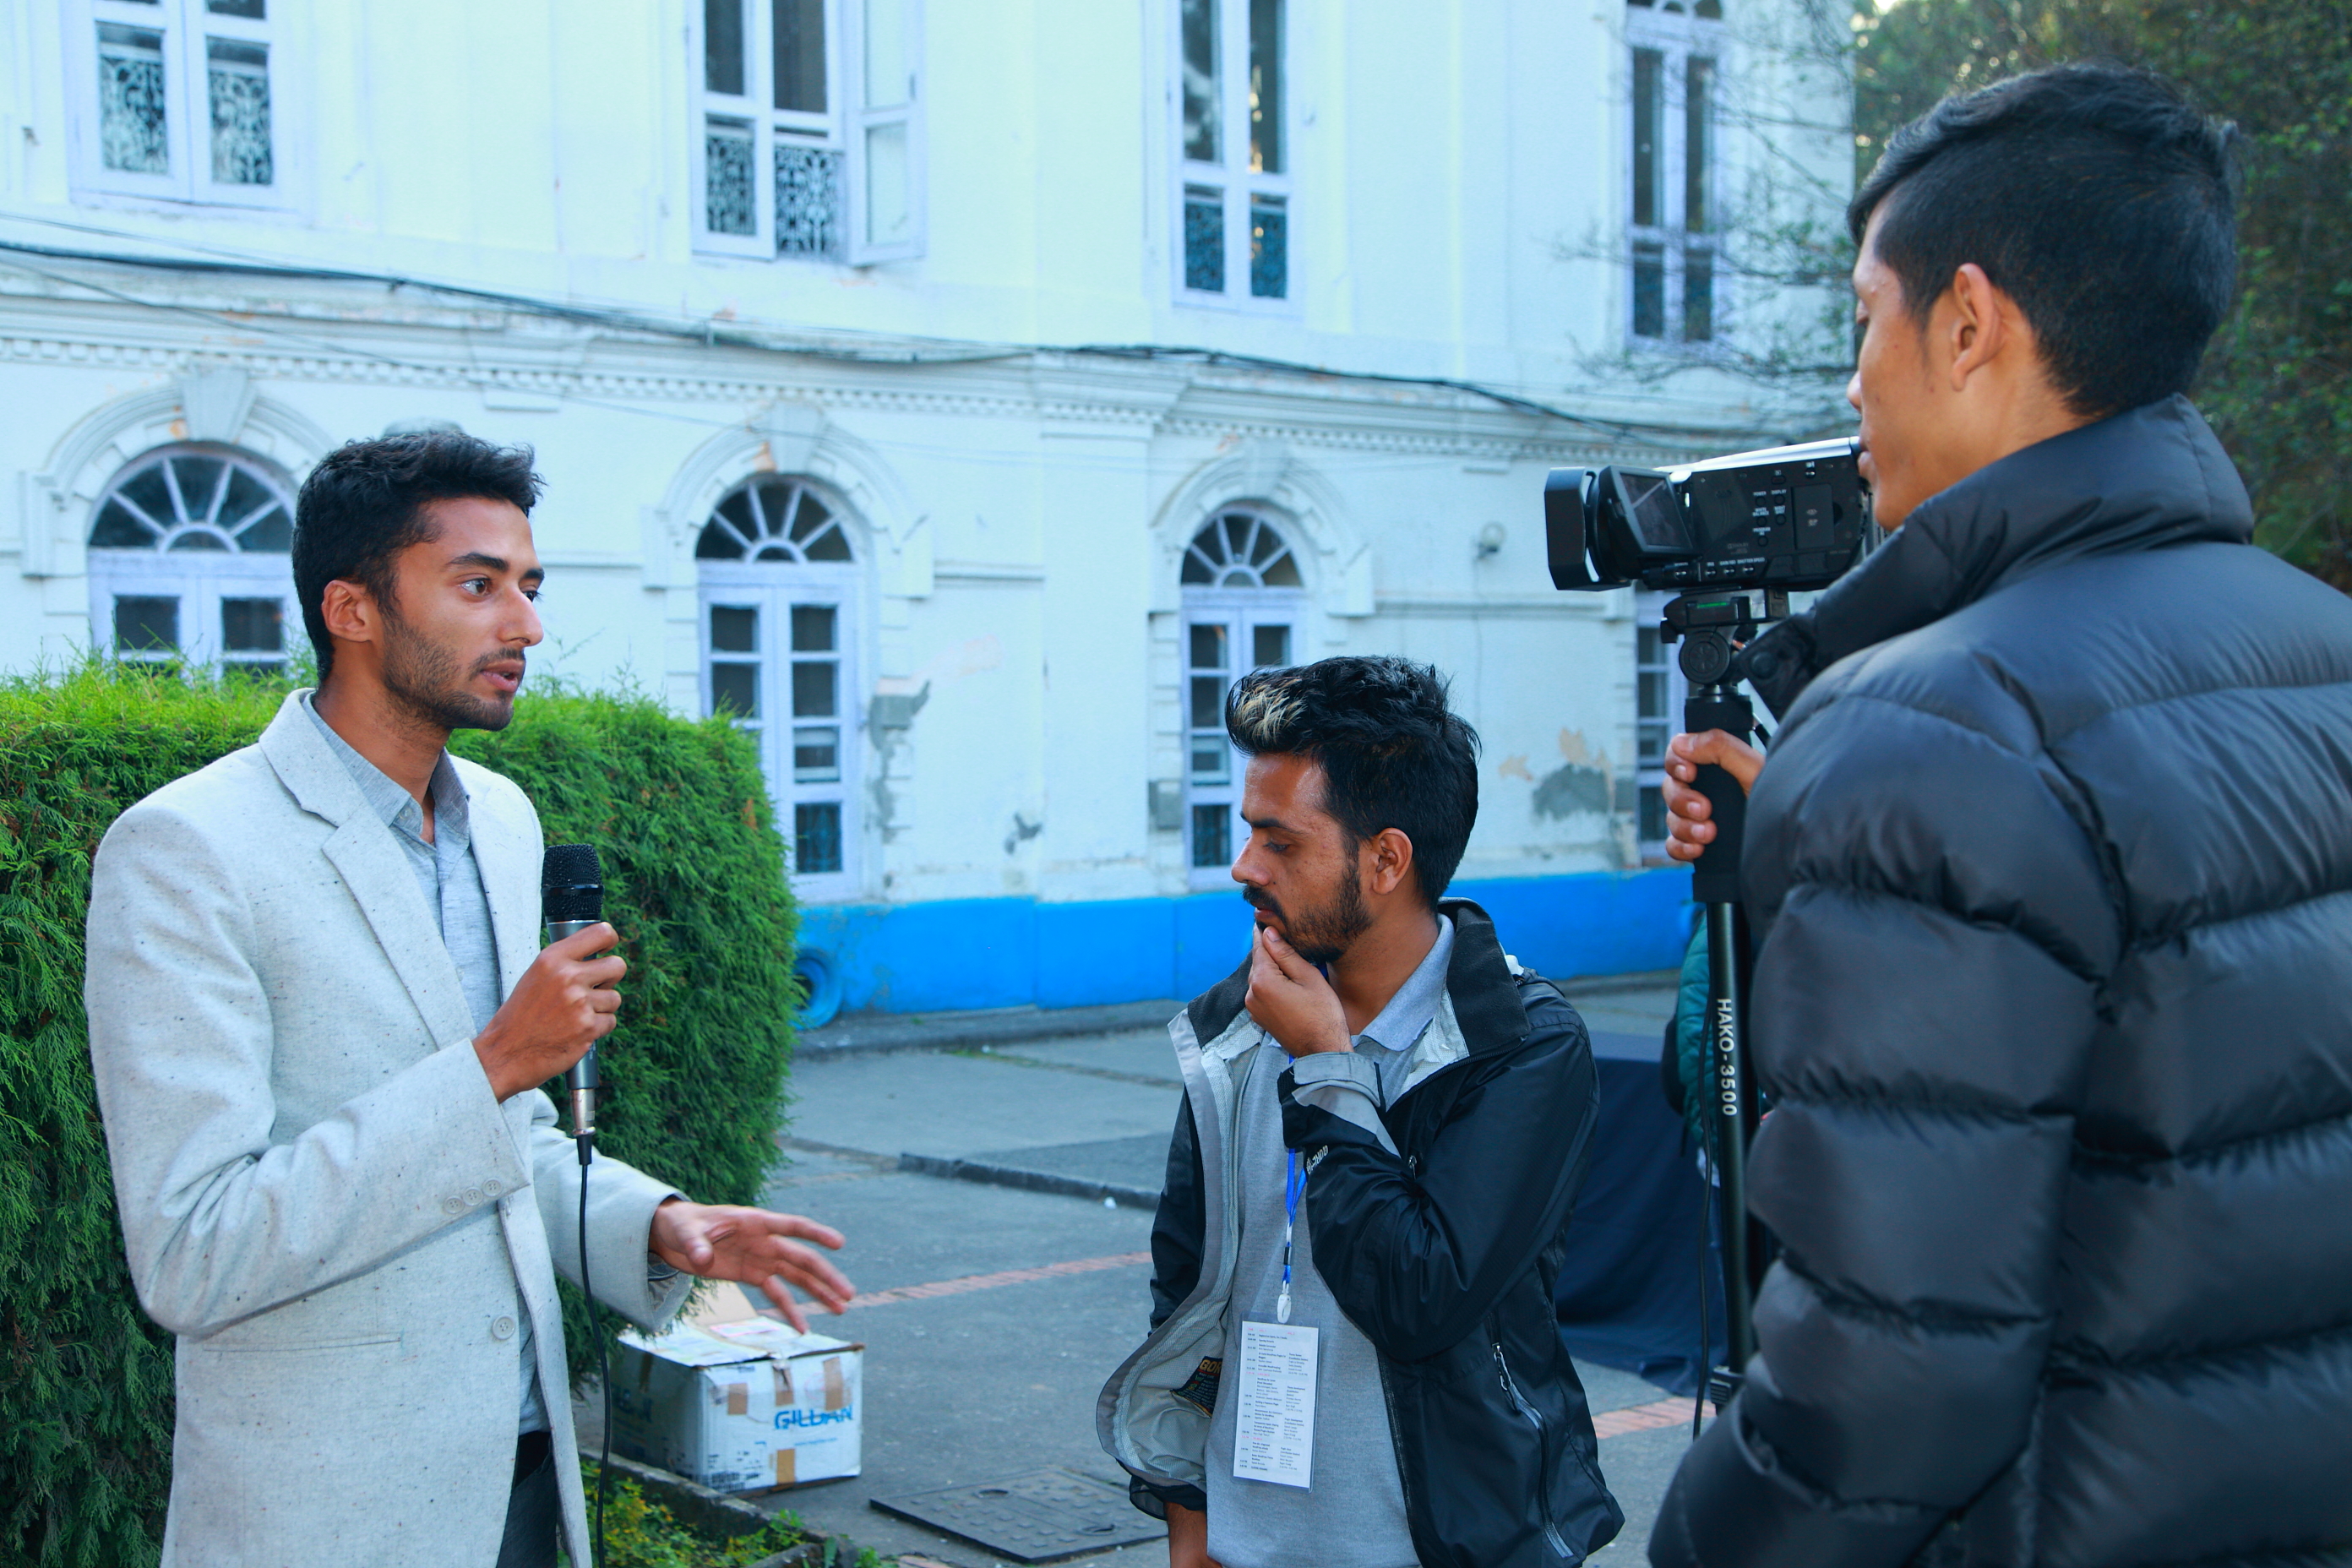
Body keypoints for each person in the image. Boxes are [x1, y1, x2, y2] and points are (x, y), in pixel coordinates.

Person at [1647, 63, 2352, 1565]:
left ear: (1966, 323)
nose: (1852, 385)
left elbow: (1886, 1383)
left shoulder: (1929, 731)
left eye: (1863, 317)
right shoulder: (2323, 645)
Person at [84, 432, 857, 1568]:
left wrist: (651, 1223)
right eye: (479, 585)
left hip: (527, 1478)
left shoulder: (500, 819)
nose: (526, 625)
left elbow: (503, 1142)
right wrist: (495, 1060)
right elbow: (196, 1251)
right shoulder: (187, 848)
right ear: (352, 608)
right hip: (329, 1512)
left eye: (530, 585)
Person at [1097, 656, 1624, 1568]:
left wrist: (1326, 1067)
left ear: (1386, 859)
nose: (1244, 866)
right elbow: (1188, 1287)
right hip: (1245, 1541)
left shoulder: (1519, 1045)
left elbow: (1420, 1295)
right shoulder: (1236, 1027)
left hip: (1442, 1545)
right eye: (1249, 833)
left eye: (1280, 842)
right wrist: (1190, 1520)